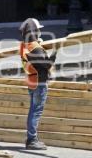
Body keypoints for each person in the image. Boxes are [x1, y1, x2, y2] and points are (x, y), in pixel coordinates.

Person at [19, 18, 57, 150]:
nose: (40, 31)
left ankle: (32, 138)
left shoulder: (25, 45)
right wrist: (55, 53)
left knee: (33, 111)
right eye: (38, 30)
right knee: (36, 112)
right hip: (39, 83)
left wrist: (39, 44)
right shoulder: (36, 49)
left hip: (31, 81)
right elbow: (47, 65)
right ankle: (32, 139)